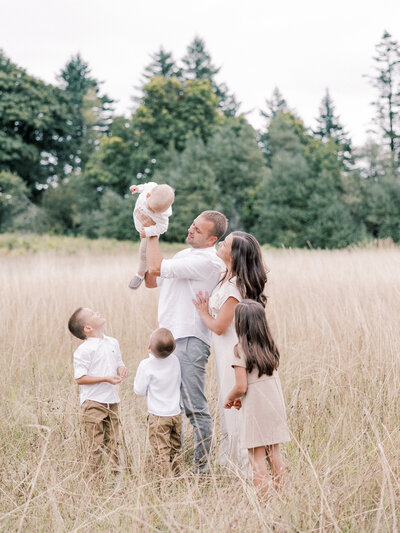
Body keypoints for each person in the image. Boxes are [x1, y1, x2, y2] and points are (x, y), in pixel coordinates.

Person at [144, 210, 228, 473]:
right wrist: (145, 237)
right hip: (167, 339)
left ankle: (201, 470)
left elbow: (157, 267)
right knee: (169, 407)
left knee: (194, 407)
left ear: (212, 239)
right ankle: (172, 465)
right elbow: (151, 279)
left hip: (190, 339)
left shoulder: (210, 262)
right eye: (192, 225)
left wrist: (153, 232)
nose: (191, 230)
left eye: (198, 230)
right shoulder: (183, 255)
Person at [193, 232, 268, 470]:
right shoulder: (227, 276)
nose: (221, 243)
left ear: (234, 255)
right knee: (226, 407)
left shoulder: (236, 288)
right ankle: (229, 462)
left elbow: (219, 325)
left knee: (234, 406)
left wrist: (204, 311)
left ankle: (244, 467)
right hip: (223, 351)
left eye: (226, 243)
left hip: (233, 352)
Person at [224, 300, 290, 497]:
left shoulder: (239, 350)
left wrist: (229, 398)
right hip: (275, 404)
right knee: (274, 454)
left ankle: (262, 502)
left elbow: (241, 386)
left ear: (240, 324)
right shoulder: (270, 346)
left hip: (257, 409)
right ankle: (282, 495)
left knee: (257, 458)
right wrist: (240, 397)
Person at [68, 307, 128, 475]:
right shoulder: (84, 350)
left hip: (112, 400)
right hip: (93, 402)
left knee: (114, 442)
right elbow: (80, 378)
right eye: (93, 314)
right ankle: (93, 480)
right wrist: (105, 379)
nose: (98, 313)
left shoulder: (112, 342)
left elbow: (118, 362)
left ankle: (117, 478)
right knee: (96, 444)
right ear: (87, 329)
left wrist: (121, 369)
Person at [134, 327, 183, 476]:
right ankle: (179, 476)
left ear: (149, 347)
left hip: (158, 416)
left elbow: (139, 390)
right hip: (176, 414)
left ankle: (164, 482)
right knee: (175, 448)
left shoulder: (146, 365)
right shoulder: (175, 360)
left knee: (161, 451)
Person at [128, 181, 175, 290]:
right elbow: (145, 186)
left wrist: (148, 231)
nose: (154, 212)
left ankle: (140, 274)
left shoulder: (163, 215)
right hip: (140, 224)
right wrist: (138, 188)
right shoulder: (150, 188)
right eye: (151, 209)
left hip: (151, 230)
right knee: (142, 251)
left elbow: (163, 228)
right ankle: (143, 270)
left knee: (143, 252)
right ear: (148, 195)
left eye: (156, 211)